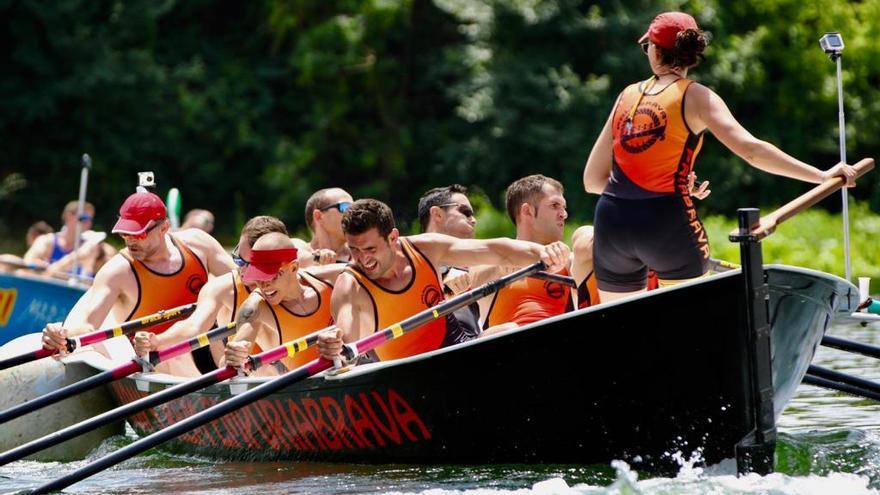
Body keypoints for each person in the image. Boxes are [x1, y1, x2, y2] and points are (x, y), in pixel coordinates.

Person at [582, 11, 857, 302]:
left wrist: (645, 190)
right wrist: (822, 176)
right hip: (666, 221)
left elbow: (592, 180)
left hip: (612, 222)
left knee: (622, 330)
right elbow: (751, 151)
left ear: (655, 50)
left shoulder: (626, 96)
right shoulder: (697, 97)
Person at [316, 199, 570, 365]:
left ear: (393, 237)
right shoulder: (350, 285)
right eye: (354, 250)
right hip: (408, 377)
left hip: (457, 349)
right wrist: (335, 346)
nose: (362, 259)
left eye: (370, 249)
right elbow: (347, 345)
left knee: (511, 331)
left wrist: (542, 253)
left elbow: (496, 249)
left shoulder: (425, 248)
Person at [41, 189, 237, 376]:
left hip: (210, 342)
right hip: (158, 359)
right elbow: (88, 325)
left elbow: (243, 286)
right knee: (174, 355)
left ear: (164, 228)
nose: (131, 241)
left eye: (139, 233)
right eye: (125, 234)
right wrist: (61, 336)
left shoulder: (198, 244)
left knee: (230, 312)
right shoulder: (118, 272)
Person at [132, 215, 290, 375]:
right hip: (242, 373)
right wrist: (157, 340)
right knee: (169, 354)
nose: (241, 270)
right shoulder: (222, 288)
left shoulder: (303, 275)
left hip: (288, 368)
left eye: (250, 264)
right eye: (238, 259)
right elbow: (194, 325)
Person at [478, 175, 596, 334]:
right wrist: (504, 260)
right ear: (527, 211)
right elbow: (463, 278)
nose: (564, 214)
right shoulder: (487, 268)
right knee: (501, 331)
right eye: (555, 205)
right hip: (508, 348)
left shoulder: (570, 263)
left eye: (564, 207)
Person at [222, 233, 341, 376]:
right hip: (306, 388)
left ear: (293, 267)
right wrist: (234, 356)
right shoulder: (255, 307)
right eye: (258, 277)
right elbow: (235, 351)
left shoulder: (331, 278)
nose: (263, 285)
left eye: (270, 275)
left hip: (350, 367)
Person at [417, 184, 480, 339]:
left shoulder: (476, 265)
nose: (473, 220)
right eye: (466, 212)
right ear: (437, 214)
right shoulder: (410, 263)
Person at [23, 201, 114, 277]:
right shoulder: (47, 241)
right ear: (69, 216)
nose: (89, 223)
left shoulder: (93, 247)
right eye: (85, 218)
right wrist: (76, 256)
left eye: (91, 219)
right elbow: (26, 266)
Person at [294, 187, 354, 267]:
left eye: (355, 207)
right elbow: (295, 257)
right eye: (345, 207)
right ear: (318, 216)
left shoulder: (360, 255)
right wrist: (318, 258)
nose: (354, 213)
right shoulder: (299, 247)